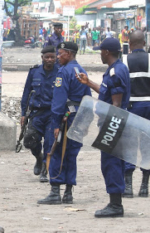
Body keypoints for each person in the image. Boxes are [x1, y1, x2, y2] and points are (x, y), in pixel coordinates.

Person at [77, 38, 130, 217]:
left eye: (101, 51)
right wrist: (89, 83)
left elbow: (116, 103)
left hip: (112, 123)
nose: (100, 53)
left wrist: (111, 129)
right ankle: (116, 202)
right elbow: (108, 93)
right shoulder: (116, 69)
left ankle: (115, 205)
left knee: (111, 162)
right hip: (114, 123)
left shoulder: (115, 72)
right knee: (114, 162)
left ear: (107, 52)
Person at [37, 42, 91, 205]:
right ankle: (68, 192)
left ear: (69, 53)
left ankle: (55, 191)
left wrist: (55, 124)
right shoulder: (81, 71)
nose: (58, 57)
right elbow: (87, 97)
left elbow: (59, 102)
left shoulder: (64, 72)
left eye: (60, 54)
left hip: (65, 119)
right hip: (78, 116)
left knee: (57, 153)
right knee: (71, 155)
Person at [121, 30, 150, 199]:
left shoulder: (124, 60)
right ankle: (144, 185)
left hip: (131, 106)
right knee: (148, 144)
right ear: (144, 42)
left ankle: (128, 186)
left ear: (130, 43)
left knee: (129, 144)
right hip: (149, 106)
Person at [21, 46, 59, 182]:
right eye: (47, 57)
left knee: (49, 143)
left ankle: (44, 170)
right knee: (29, 140)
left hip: (52, 114)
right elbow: (26, 93)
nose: (49, 60)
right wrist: (23, 114)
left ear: (56, 58)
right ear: (42, 57)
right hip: (36, 113)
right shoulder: (34, 72)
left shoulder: (60, 72)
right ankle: (38, 157)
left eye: (52, 57)